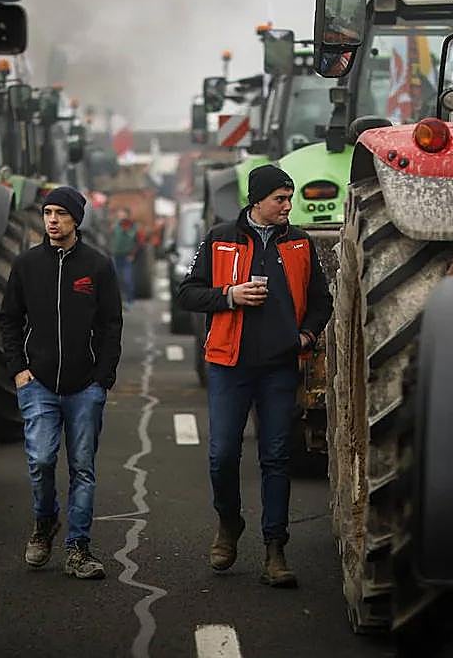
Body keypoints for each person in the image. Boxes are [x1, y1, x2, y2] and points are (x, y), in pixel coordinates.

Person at [176, 164, 333, 588]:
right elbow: (187, 293)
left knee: (276, 457)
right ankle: (229, 524)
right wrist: (230, 296)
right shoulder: (219, 238)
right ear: (257, 200)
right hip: (230, 365)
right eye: (280, 198)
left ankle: (275, 550)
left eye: (289, 197)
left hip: (280, 367)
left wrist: (306, 335)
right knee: (222, 455)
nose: (288, 205)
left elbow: (321, 300)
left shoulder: (299, 242)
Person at [0, 186, 124, 579]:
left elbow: (110, 325)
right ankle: (44, 524)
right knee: (40, 460)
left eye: (60, 213)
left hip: (85, 386)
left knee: (82, 467)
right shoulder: (26, 265)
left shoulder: (97, 267)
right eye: (48, 212)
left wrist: (102, 377)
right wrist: (19, 369)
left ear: (76, 219)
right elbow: (9, 319)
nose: (52, 220)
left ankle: (78, 549)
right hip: (37, 383)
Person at [110, 207, 139, 307]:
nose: (120, 215)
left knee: (128, 279)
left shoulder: (131, 226)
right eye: (119, 213)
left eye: (122, 214)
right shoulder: (115, 226)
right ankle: (119, 301)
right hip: (116, 256)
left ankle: (129, 300)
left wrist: (132, 254)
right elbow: (111, 238)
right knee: (116, 279)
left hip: (126, 256)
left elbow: (137, 241)